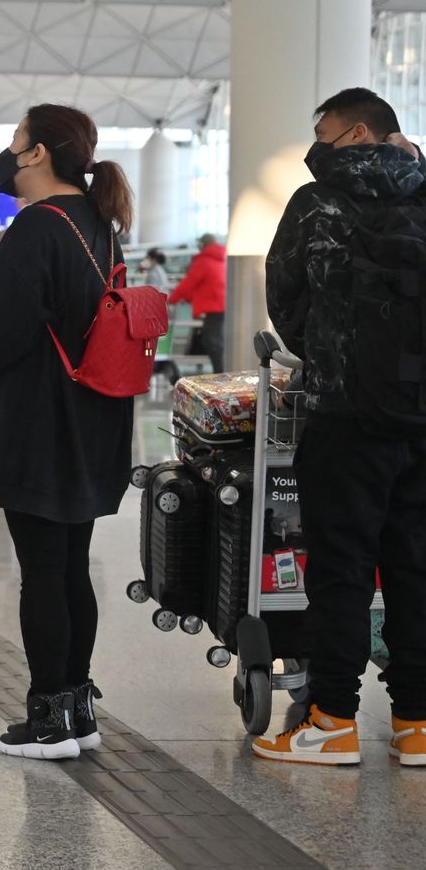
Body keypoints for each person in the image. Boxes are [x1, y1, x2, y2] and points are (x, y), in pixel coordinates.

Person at [0, 104, 137, 761]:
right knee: (71, 567)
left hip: (41, 421)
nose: (8, 153)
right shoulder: (99, 224)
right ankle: (76, 708)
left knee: (43, 572)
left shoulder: (34, 228)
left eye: (16, 141)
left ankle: (48, 719)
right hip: (95, 419)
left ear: (39, 153)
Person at [256, 86, 426, 767]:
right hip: (421, 415)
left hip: (345, 413)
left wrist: (332, 353)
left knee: (341, 569)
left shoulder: (316, 202)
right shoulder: (422, 192)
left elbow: (284, 302)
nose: (316, 145)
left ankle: (331, 718)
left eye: (324, 131)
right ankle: (416, 722)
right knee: (415, 567)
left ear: (357, 134)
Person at [170, 233, 227, 371]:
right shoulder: (221, 259)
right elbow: (204, 285)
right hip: (221, 305)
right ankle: (219, 372)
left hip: (213, 308)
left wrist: (171, 299)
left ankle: (220, 374)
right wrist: (188, 298)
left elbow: (188, 283)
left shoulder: (204, 261)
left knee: (212, 342)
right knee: (215, 341)